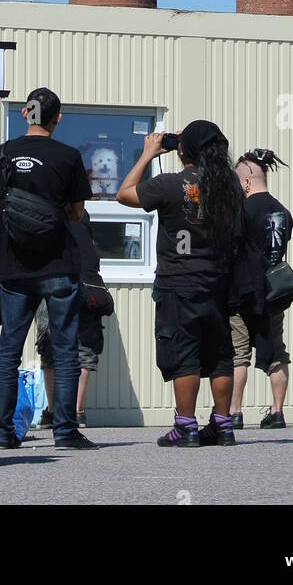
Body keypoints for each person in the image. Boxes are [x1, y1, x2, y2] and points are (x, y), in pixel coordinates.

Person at [119, 119, 243, 447]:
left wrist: (148, 153)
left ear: (184, 150)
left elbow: (124, 194)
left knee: (184, 350)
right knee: (219, 354)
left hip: (179, 281)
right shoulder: (229, 184)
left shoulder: (169, 184)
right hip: (218, 281)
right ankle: (223, 424)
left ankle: (186, 426)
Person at [0, 87, 96, 452]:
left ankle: (2, 431)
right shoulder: (67, 157)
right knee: (65, 349)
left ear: (24, 113)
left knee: (9, 351)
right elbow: (78, 214)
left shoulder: (2, 154)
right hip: (58, 265)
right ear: (57, 118)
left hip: (14, 266)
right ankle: (64, 431)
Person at [229, 148, 293, 430]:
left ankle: (234, 412)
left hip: (243, 292)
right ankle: (277, 412)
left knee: (238, 354)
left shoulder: (242, 210)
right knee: (275, 353)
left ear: (246, 182)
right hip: (274, 293)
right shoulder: (284, 212)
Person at [36, 209, 105, 430]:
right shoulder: (81, 211)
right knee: (84, 346)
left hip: (54, 277)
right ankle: (76, 410)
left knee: (49, 346)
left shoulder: (45, 210)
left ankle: (54, 410)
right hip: (88, 281)